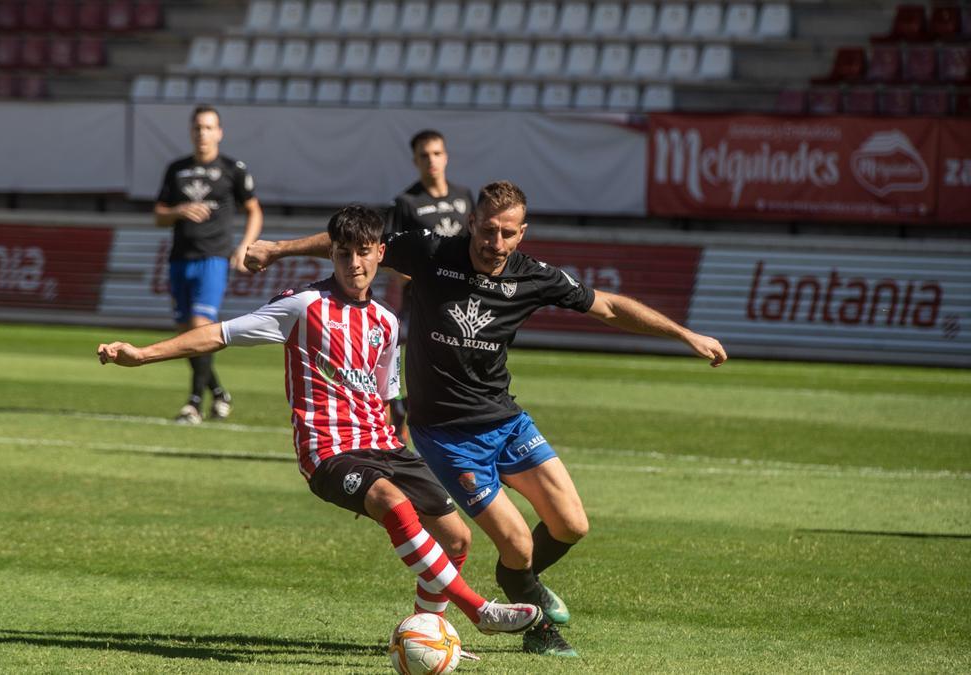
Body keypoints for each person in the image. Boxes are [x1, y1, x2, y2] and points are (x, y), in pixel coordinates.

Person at [243, 181, 728, 658]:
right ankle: (534, 620)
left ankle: (523, 585)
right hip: (447, 435)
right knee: (516, 544)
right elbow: (354, 244)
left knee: (572, 525)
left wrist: (683, 334)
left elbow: (608, 306)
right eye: (487, 230)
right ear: (471, 222)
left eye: (507, 233)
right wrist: (279, 249)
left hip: (505, 419)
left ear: (523, 234)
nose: (495, 243)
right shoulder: (430, 251)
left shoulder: (532, 275)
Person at [98, 205, 542, 640]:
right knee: (390, 501)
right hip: (329, 453)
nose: (354, 263)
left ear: (380, 254)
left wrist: (404, 447)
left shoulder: (387, 323)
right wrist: (143, 354)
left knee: (457, 539)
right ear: (332, 255)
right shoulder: (303, 305)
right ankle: (478, 610)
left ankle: (428, 633)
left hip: (384, 446)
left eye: (363, 252)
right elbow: (219, 333)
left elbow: (389, 395)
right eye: (344, 252)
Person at [154, 104, 263, 425]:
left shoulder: (233, 169)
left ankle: (192, 403)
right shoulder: (176, 169)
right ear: (191, 132)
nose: (202, 133)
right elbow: (158, 215)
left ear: (219, 132)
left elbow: (255, 210)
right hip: (179, 259)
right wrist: (179, 211)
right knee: (185, 334)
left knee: (201, 327)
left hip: (213, 258)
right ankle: (219, 393)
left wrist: (244, 246)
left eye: (208, 127)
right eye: (197, 128)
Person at [383, 130, 478, 445]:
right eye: (424, 155)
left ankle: (405, 407)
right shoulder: (406, 202)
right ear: (415, 161)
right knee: (428, 364)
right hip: (423, 300)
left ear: (446, 156)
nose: (431, 160)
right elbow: (390, 257)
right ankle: (413, 416)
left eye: (436, 153)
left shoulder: (465, 196)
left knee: (458, 368)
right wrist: (417, 276)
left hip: (463, 299)